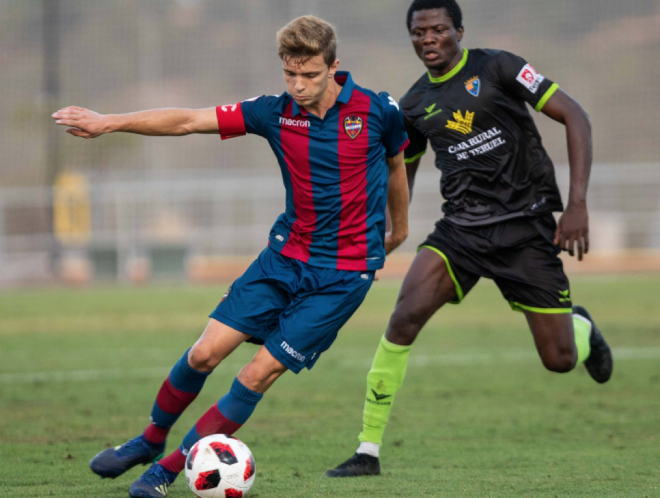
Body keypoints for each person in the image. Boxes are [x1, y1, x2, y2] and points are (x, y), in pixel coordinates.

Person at [52, 15, 410, 497]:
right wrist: (110, 122)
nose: (299, 86)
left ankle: (165, 472)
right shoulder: (272, 112)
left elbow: (395, 164)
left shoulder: (377, 110)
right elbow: (187, 120)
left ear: (334, 66)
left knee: (257, 372)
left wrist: (400, 229)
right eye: (290, 74)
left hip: (343, 276)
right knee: (203, 353)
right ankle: (148, 440)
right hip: (284, 258)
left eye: (310, 75)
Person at [326, 0, 613, 478]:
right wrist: (386, 232)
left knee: (559, 360)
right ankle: (367, 450)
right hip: (460, 231)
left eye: (439, 29)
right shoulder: (413, 104)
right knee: (403, 318)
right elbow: (404, 175)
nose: (429, 39)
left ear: (459, 30)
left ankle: (581, 329)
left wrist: (578, 203)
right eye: (419, 32)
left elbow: (576, 116)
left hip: (526, 229)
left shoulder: (500, 66)